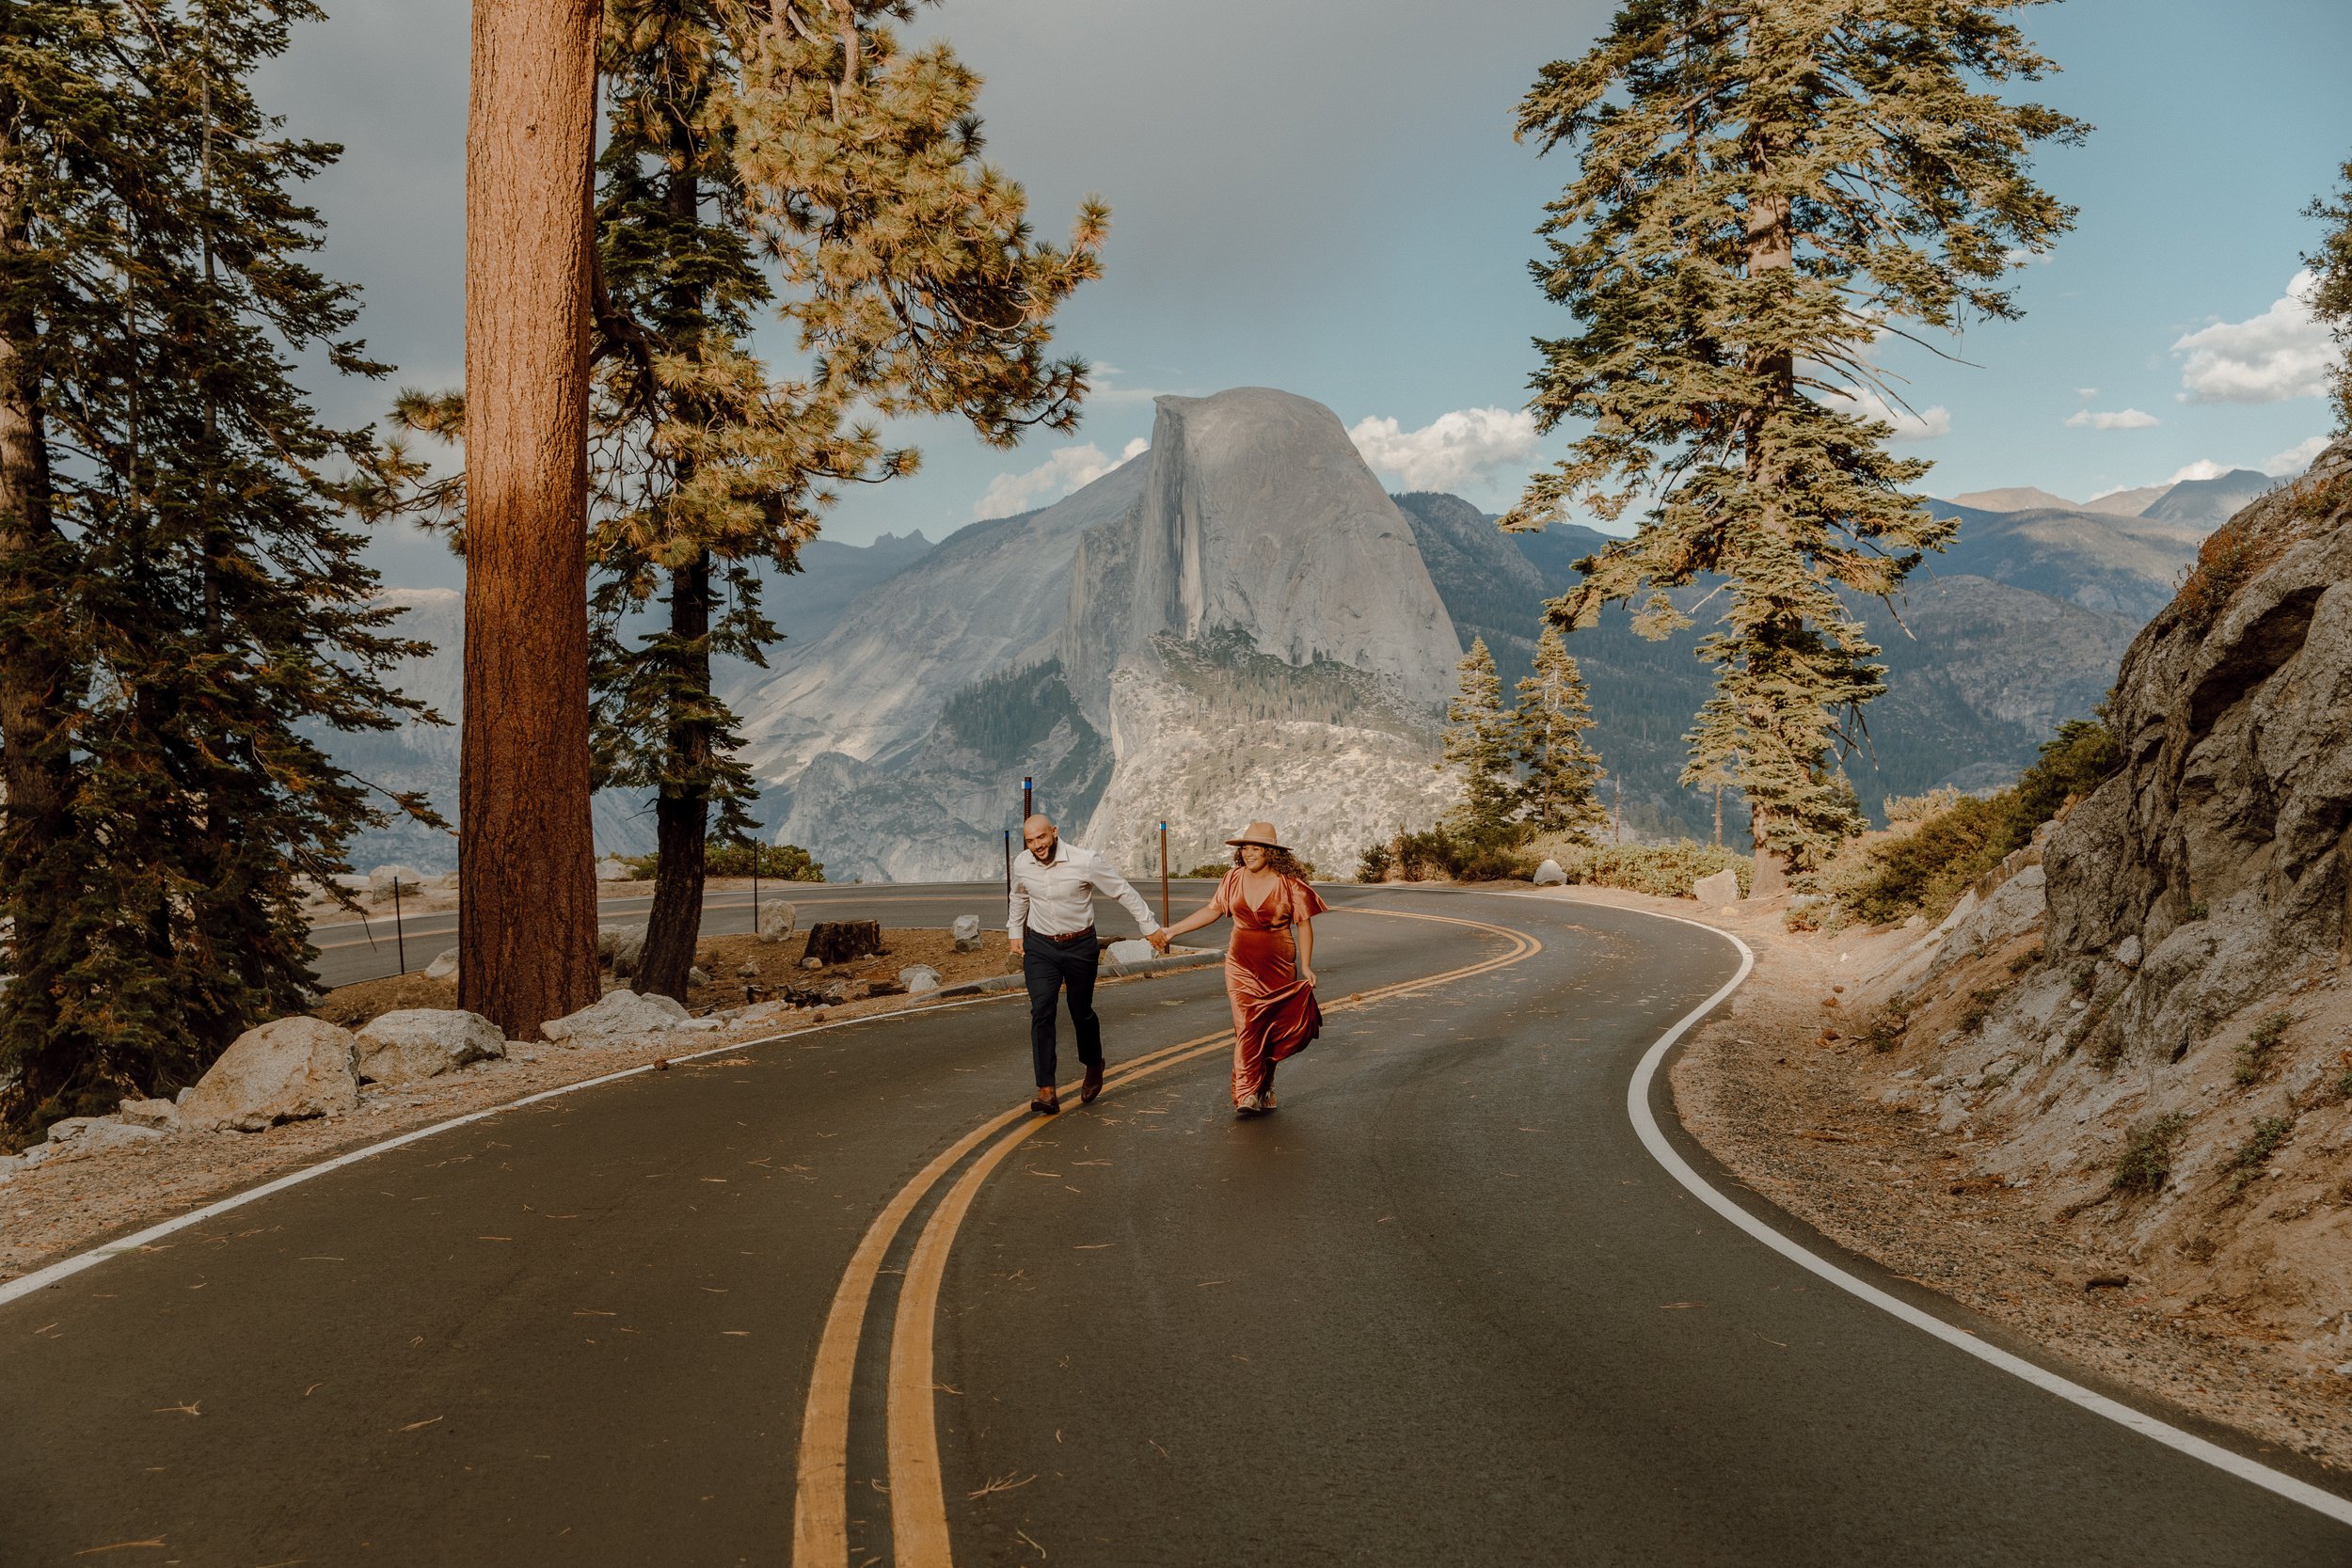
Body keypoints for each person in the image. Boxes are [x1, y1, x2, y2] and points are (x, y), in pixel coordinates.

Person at [1156, 820, 1327, 1117]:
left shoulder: (1290, 885)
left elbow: (1304, 925)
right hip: (1240, 963)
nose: (1249, 853)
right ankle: (1246, 1093)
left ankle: (1266, 1084)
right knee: (1247, 1025)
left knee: (1270, 1028)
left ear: (1270, 852)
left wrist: (1307, 965)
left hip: (1278, 964)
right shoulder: (1232, 879)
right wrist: (1172, 931)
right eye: (1245, 848)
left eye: (1256, 848)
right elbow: (1212, 910)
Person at [1008, 814, 1168, 1115]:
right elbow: (1018, 896)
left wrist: (1149, 926)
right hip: (1040, 946)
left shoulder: (1085, 860)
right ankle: (1046, 1090)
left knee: (1080, 1011)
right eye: (1030, 841)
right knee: (1042, 1010)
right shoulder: (1022, 863)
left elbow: (1122, 890)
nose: (1037, 846)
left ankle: (1094, 1063)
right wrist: (1015, 930)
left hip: (1080, 945)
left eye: (1041, 837)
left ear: (1054, 832)